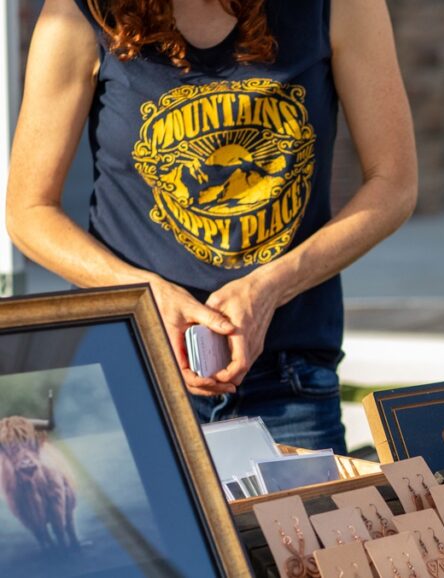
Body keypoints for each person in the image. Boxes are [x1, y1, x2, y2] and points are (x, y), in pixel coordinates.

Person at [5, 0, 418, 455]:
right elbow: (29, 211)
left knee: (308, 528)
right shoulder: (81, 12)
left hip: (287, 378)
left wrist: (269, 289)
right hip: (131, 371)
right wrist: (144, 296)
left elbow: (393, 185)